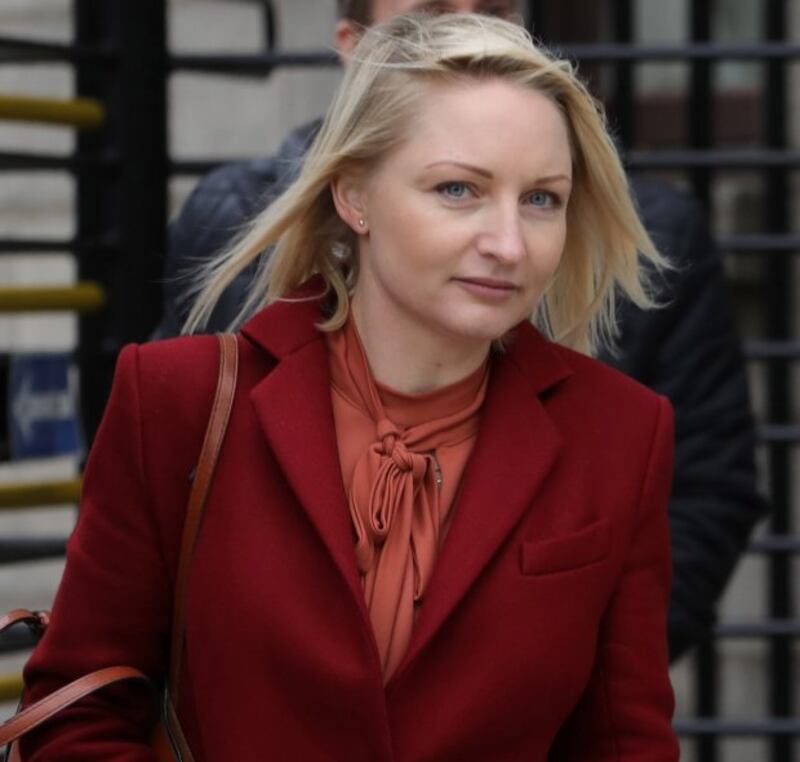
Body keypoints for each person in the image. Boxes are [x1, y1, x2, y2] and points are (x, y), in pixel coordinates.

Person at [22, 13, 678, 759]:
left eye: (542, 199)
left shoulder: (622, 433)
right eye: (459, 189)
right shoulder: (176, 399)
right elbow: (76, 712)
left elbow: (626, 744)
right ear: (353, 194)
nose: (508, 243)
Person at [155, 0, 767, 661]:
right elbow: (139, 583)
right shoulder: (222, 240)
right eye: (429, 16)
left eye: (497, 10)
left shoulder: (650, 252)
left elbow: (706, 493)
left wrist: (543, 670)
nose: (506, 244)